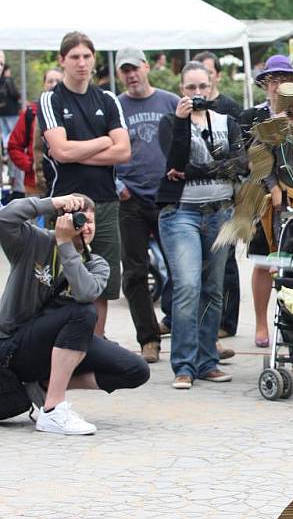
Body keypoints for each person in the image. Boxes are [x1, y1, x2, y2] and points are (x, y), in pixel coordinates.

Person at [0, 194, 149, 435]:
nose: (85, 227)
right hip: (12, 346)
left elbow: (85, 292)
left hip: (59, 343)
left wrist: (67, 246)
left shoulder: (96, 263)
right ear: (60, 222)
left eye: (90, 222)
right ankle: (53, 410)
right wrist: (54, 202)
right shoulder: (33, 242)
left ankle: (44, 384)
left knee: (136, 370)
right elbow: (5, 217)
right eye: (79, 221)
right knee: (82, 312)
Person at [156, 61, 246, 389]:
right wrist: (183, 124)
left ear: (212, 88)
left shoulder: (228, 121)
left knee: (213, 288)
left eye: (202, 87)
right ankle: (183, 364)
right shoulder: (170, 121)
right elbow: (174, 162)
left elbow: (241, 163)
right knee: (188, 285)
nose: (197, 94)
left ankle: (207, 360)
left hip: (220, 212)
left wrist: (199, 169)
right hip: (181, 212)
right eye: (191, 88)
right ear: (182, 90)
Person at [38, 31, 131, 338]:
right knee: (57, 276)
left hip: (104, 202)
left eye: (87, 57)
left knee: (101, 280)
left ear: (94, 60)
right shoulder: (51, 99)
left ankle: (95, 343)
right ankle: (56, 343)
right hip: (65, 202)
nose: (81, 63)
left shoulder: (107, 99)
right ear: (62, 60)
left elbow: (124, 151)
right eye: (74, 57)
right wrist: (104, 141)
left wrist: (76, 152)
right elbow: (60, 152)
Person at [114, 47, 179, 364]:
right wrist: (117, 185)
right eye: (124, 70)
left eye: (134, 68)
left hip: (167, 198)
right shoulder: (115, 106)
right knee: (135, 272)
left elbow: (185, 140)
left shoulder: (168, 101)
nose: (131, 75)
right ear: (118, 74)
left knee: (181, 269)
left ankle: (187, 334)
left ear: (146, 67)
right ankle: (148, 338)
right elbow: (107, 147)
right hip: (131, 199)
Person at [240, 54, 293, 349]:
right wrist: (271, 185)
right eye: (274, 80)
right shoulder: (253, 116)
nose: (279, 85)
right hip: (265, 199)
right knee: (264, 261)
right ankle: (261, 323)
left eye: (285, 79)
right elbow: (250, 156)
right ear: (265, 84)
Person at [193, 51, 241, 344]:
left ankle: (228, 320)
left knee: (227, 263)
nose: (200, 89)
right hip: (194, 203)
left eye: (206, 77)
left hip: (225, 199)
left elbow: (239, 157)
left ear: (215, 77)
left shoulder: (228, 109)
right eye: (193, 83)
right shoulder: (184, 115)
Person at [8, 68, 63, 197]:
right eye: (50, 81)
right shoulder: (31, 111)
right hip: (35, 186)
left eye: (58, 81)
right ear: (44, 84)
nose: (54, 84)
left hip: (65, 184)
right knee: (36, 217)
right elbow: (14, 146)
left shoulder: (68, 110)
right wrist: (30, 165)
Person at [0, 53, 24, 202]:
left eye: (1, 64)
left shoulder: (6, 81)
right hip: (7, 114)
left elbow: (16, 95)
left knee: (10, 144)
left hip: (9, 114)